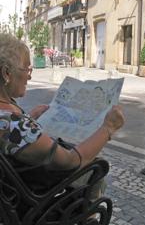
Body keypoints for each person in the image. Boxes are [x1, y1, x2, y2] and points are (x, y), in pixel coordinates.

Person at [0, 33, 125, 194]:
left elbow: (14, 134)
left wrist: (29, 118)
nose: (29, 76)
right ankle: (89, 219)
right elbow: (70, 161)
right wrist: (108, 128)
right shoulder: (14, 124)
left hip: (14, 192)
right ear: (6, 73)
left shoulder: (9, 115)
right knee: (96, 167)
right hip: (35, 202)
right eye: (27, 69)